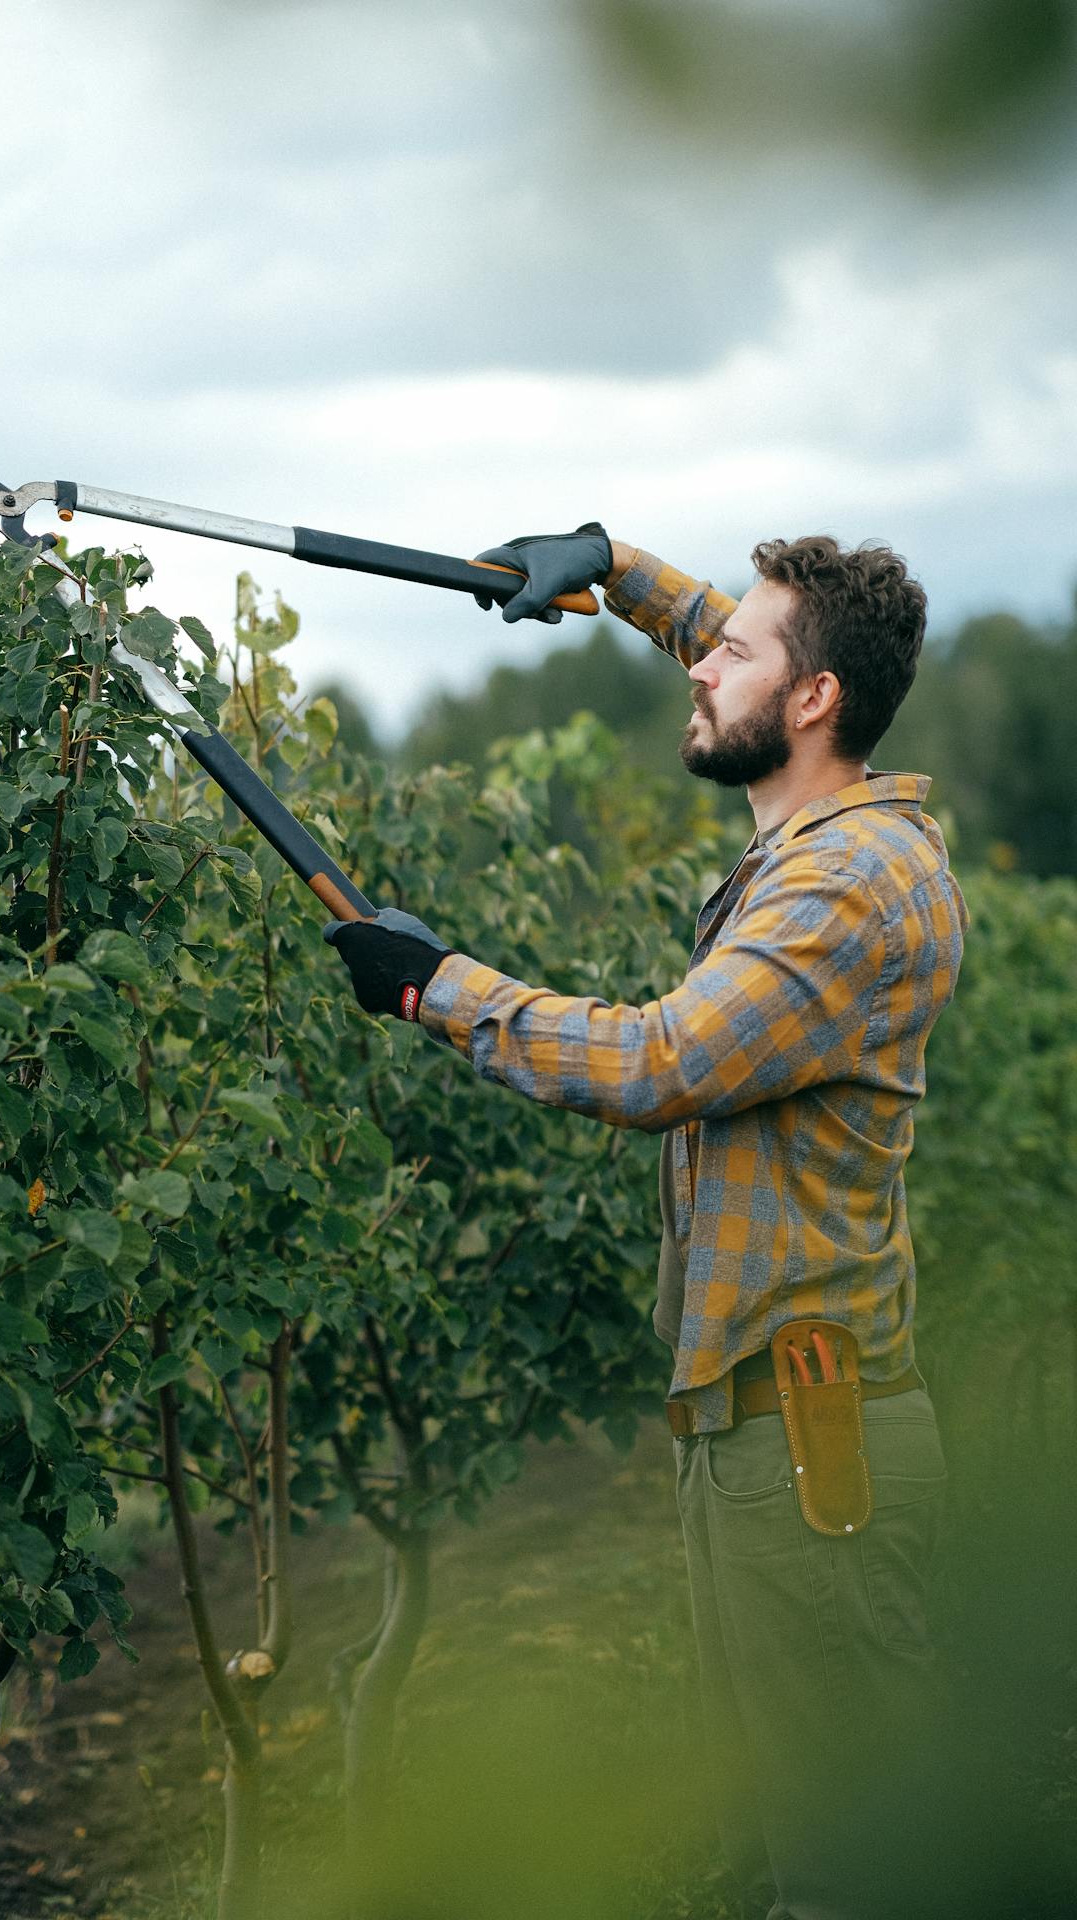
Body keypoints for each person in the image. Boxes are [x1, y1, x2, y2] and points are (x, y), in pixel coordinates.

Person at [323, 526, 972, 1920]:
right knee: (775, 1854)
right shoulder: (830, 811)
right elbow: (723, 641)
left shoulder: (844, 886)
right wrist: (610, 566)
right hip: (766, 1437)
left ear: (812, 701)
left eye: (733, 652)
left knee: (847, 1874)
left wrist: (444, 988)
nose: (701, 665)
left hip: (806, 1455)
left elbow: (660, 1066)